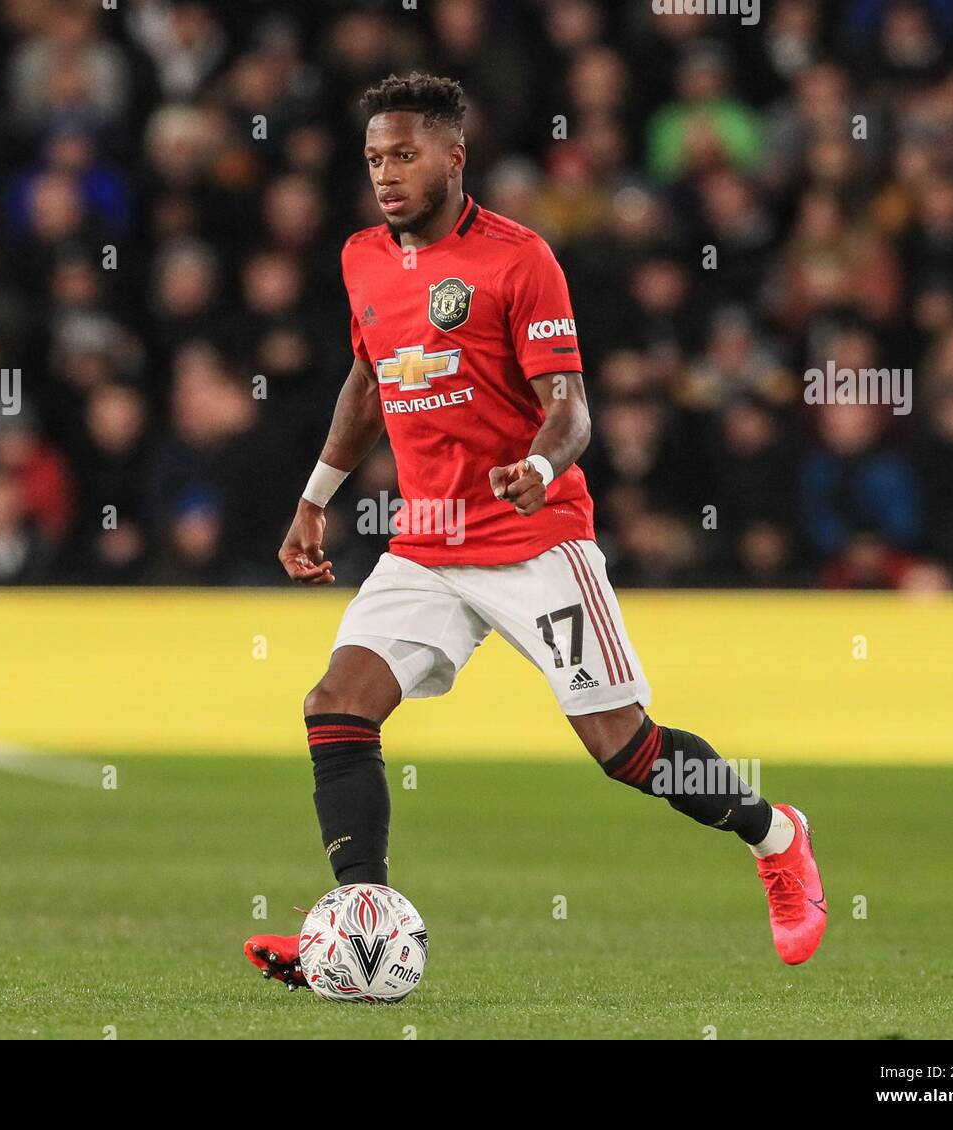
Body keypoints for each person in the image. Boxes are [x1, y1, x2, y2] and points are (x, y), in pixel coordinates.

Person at [245, 75, 826, 990]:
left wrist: (541, 469)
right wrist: (316, 493)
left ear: (452, 157)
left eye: (403, 155)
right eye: (372, 159)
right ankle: (359, 925)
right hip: (426, 543)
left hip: (533, 538)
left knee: (625, 748)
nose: (386, 175)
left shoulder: (520, 261)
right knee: (335, 705)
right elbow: (368, 381)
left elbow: (574, 410)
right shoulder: (363, 257)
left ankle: (777, 838)